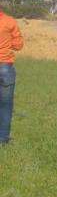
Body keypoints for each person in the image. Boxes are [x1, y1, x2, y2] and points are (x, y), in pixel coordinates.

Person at [0, 9, 24, 146]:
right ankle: (2, 139)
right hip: (5, 66)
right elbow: (18, 45)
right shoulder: (10, 21)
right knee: (5, 105)